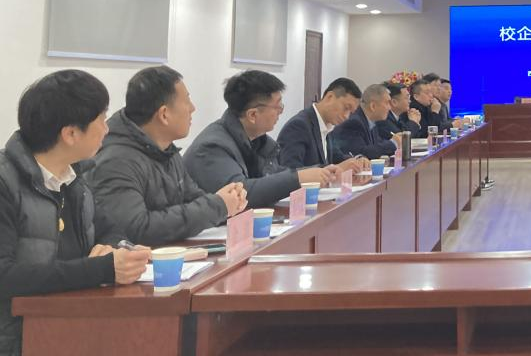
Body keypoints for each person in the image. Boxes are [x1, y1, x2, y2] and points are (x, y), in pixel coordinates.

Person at [1, 71, 149, 356]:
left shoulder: (73, 177)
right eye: (101, 120)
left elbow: (110, 228)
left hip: (71, 326)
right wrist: (102, 269)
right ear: (70, 134)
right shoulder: (5, 183)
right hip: (18, 339)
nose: (107, 129)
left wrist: (112, 248)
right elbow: (4, 276)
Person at [90, 66, 248, 247]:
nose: (193, 108)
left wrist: (229, 201)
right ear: (164, 114)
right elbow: (135, 230)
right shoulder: (116, 161)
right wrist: (217, 207)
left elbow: (192, 197)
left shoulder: (165, 148)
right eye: (187, 101)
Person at [184, 71, 333, 207]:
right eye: (277, 106)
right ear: (253, 115)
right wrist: (297, 179)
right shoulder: (212, 147)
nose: (281, 111)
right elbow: (240, 194)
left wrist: (317, 172)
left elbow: (273, 174)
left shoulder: (258, 141)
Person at [277, 78, 364, 170]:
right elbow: (290, 171)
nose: (347, 116)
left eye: (351, 112)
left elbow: (337, 158)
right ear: (330, 97)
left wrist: (357, 160)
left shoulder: (327, 126)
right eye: (346, 108)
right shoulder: (298, 126)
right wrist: (335, 168)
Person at [332, 84, 399, 160]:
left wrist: (394, 141)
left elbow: (377, 144)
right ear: (373, 106)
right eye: (387, 103)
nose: (389, 108)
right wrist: (393, 143)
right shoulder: (354, 122)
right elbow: (361, 153)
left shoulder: (371, 121)